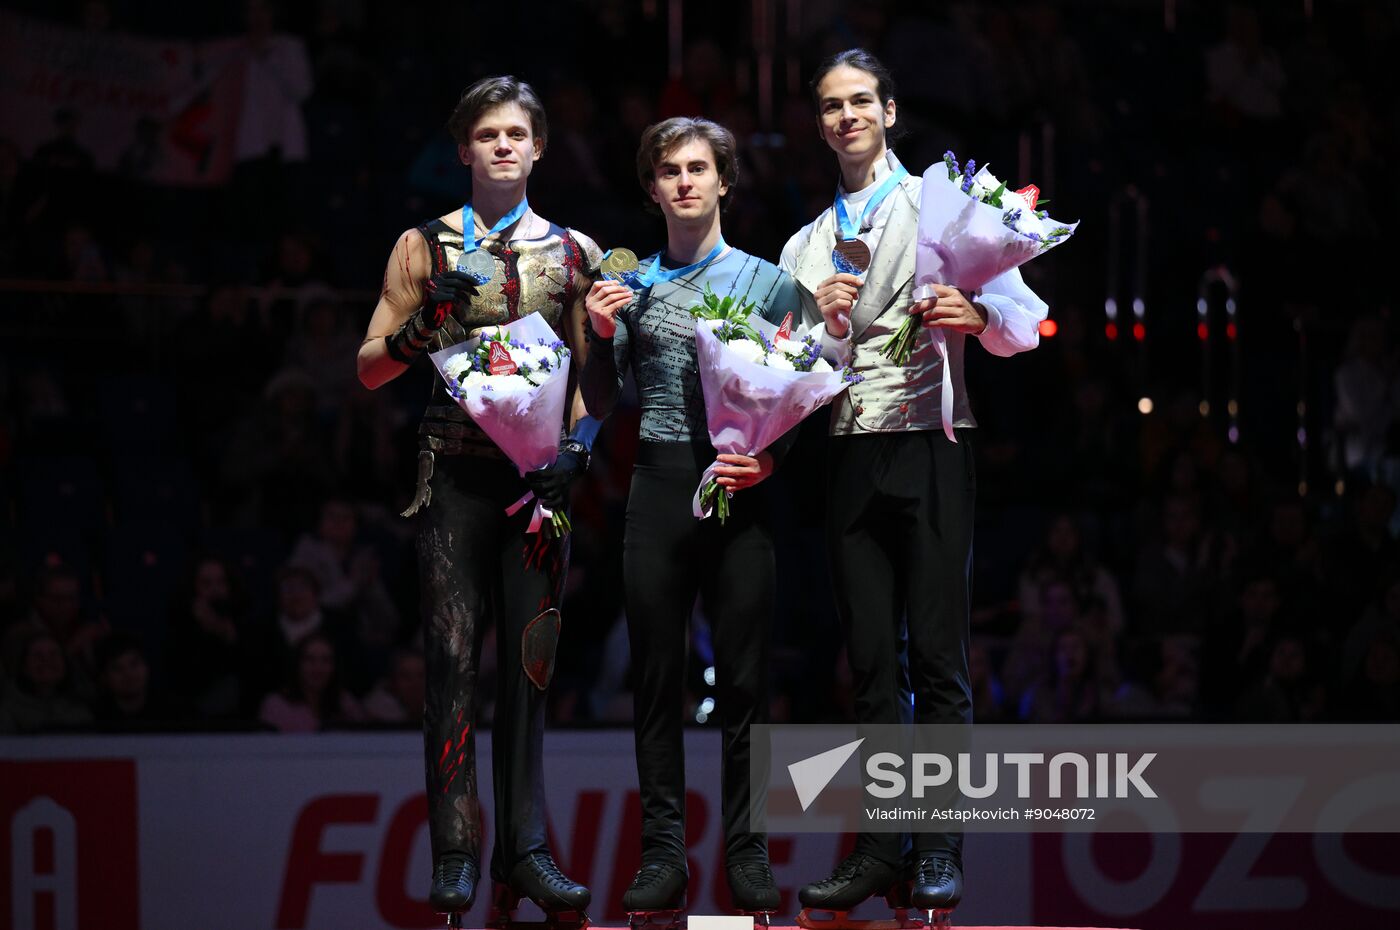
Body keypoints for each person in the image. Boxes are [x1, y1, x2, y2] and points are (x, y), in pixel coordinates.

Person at [780, 50, 1048, 926]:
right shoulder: (804, 245)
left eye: (862, 101)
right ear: (820, 125)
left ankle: (938, 849)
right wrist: (816, 332)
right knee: (867, 667)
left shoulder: (947, 205)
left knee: (937, 660)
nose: (847, 116)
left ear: (890, 112)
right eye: (832, 106)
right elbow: (795, 377)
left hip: (934, 443)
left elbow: (1023, 320)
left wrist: (979, 317)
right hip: (851, 450)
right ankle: (876, 851)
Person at [356, 75, 599, 928]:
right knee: (454, 666)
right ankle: (456, 852)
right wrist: (424, 328)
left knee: (533, 672)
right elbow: (371, 364)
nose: (502, 146)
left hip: (536, 486)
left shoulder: (575, 252)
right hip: (452, 479)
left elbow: (585, 380)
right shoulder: (422, 244)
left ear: (537, 148)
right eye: (486, 134)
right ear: (464, 150)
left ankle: (526, 853)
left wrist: (579, 449)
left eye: (516, 134)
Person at [580, 116, 797, 926]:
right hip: (660, 483)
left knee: (746, 682)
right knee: (656, 682)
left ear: (724, 182)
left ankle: (748, 853)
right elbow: (604, 401)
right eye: (668, 170)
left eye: (698, 168)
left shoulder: (769, 281)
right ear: (651, 188)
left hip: (740, 483)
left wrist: (772, 461)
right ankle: (663, 857)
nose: (684, 182)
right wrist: (601, 338)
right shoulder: (625, 286)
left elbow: (803, 393)